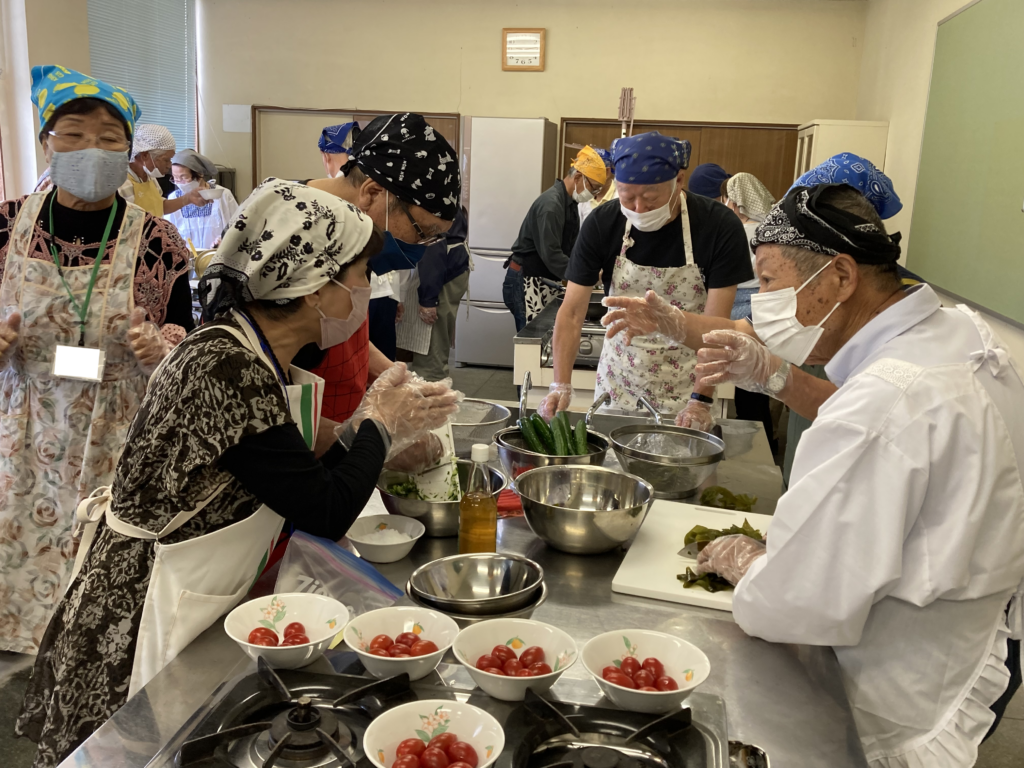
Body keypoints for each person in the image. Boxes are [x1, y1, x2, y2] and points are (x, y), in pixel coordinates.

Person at [16, 178, 460, 767]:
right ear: (314, 290)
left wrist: (375, 430)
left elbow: (291, 472)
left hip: (179, 587)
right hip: (135, 608)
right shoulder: (225, 368)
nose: (365, 293)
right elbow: (325, 509)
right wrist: (378, 423)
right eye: (358, 278)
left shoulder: (247, 351)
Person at [685, 182, 1024, 767]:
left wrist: (749, 560)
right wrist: (776, 376)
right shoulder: (961, 333)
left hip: (905, 689)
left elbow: (796, 602)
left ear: (841, 277)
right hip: (981, 641)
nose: (759, 303)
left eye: (767, 282)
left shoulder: (885, 402)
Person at [0, 65, 194, 656]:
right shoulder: (6, 226)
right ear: (46, 143)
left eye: (110, 137)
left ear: (130, 152)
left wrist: (160, 346)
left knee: (103, 575)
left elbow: (189, 338)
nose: (92, 148)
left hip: (117, 429)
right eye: (74, 133)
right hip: (22, 429)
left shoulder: (159, 240)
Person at [539, 132, 752, 429]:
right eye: (627, 198)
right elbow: (573, 311)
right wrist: (560, 384)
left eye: (650, 200)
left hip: (687, 387)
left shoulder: (719, 227)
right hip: (618, 382)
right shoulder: (602, 223)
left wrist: (699, 401)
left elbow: (715, 327)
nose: (638, 209)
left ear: (679, 181)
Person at [297, 112, 461, 421]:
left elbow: (342, 332)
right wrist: (367, 436)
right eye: (422, 231)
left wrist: (401, 378)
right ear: (373, 193)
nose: (422, 246)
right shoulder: (293, 232)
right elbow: (267, 385)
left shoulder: (356, 231)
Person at [506, 146, 609, 326]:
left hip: (543, 279)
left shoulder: (569, 203)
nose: (594, 195)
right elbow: (552, 254)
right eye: (594, 189)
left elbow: (573, 247)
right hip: (527, 280)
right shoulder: (551, 206)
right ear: (578, 177)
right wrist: (582, 275)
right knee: (531, 342)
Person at [721, 172, 777, 450]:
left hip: (738, 307)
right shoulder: (772, 230)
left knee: (740, 385)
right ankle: (766, 446)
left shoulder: (736, 230)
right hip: (765, 308)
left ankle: (747, 451)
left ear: (735, 200)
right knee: (757, 387)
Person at [410, 205, 470, 381]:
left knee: (431, 343)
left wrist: (428, 300)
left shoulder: (430, 200)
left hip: (442, 270)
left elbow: (433, 246)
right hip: (453, 265)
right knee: (439, 337)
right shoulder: (442, 193)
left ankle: (432, 393)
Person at [119, 123, 205, 217]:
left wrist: (188, 198)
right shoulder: (122, 183)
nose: (169, 165)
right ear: (145, 155)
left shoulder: (150, 178)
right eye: (166, 160)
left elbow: (159, 207)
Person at [165, 148, 239, 250]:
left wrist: (222, 240)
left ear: (199, 174)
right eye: (176, 178)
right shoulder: (174, 199)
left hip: (216, 257)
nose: (179, 183)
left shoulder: (222, 195)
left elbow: (236, 227)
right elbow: (169, 235)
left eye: (184, 177)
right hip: (187, 259)